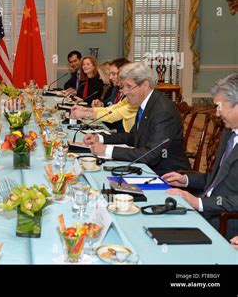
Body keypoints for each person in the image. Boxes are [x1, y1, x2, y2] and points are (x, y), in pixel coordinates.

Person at [162, 74, 238, 239]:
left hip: (226, 222)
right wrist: (186, 180)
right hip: (206, 209)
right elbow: (217, 179)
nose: (216, 114)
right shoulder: (228, 133)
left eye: (219, 106)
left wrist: (199, 203)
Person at [84, 62, 189, 175]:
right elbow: (133, 137)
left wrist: (107, 150)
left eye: (129, 86)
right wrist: (99, 138)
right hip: (146, 167)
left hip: (168, 174)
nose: (125, 91)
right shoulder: (145, 104)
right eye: (124, 86)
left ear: (145, 84)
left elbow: (151, 155)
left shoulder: (162, 111)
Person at [71, 58, 136, 133]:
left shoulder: (132, 95)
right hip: (115, 129)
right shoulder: (117, 89)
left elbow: (115, 114)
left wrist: (86, 114)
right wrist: (85, 109)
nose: (110, 77)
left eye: (113, 74)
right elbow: (111, 109)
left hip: (120, 133)